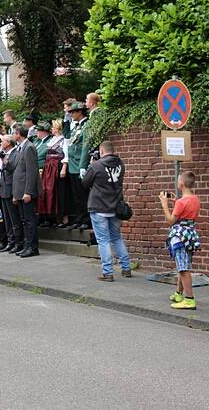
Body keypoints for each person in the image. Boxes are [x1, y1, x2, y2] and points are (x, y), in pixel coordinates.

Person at [82, 141, 132, 282]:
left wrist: (91, 165)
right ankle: (126, 268)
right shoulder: (121, 164)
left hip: (99, 207)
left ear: (102, 151)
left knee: (103, 241)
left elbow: (85, 183)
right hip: (115, 207)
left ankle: (107, 272)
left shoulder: (96, 166)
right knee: (116, 238)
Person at [159, 172, 201, 310]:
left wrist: (165, 205)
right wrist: (176, 201)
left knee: (183, 269)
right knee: (183, 264)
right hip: (190, 235)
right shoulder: (195, 199)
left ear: (181, 184)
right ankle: (178, 294)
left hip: (180, 237)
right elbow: (186, 211)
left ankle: (189, 299)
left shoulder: (181, 202)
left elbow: (171, 221)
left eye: (178, 182)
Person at [12, 125, 41, 258]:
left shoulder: (29, 147)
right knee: (24, 220)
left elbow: (31, 171)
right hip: (20, 191)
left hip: (26, 191)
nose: (13, 135)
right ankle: (27, 245)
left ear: (19, 134)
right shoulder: (20, 147)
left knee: (29, 220)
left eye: (14, 133)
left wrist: (28, 191)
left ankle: (32, 247)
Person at [65, 101, 91, 230]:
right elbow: (67, 138)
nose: (70, 114)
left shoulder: (86, 125)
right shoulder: (75, 126)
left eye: (72, 112)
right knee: (76, 196)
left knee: (83, 195)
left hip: (79, 163)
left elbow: (85, 146)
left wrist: (83, 165)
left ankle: (86, 219)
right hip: (72, 165)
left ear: (80, 112)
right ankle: (79, 218)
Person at [39, 119, 68, 225]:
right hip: (48, 167)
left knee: (56, 191)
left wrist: (64, 167)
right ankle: (48, 217)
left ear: (58, 128)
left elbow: (66, 154)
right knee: (47, 191)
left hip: (57, 166)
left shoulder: (63, 140)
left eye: (53, 127)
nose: (51, 129)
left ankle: (59, 218)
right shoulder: (52, 139)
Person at [0, 135, 23, 253]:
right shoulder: (5, 154)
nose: (1, 143)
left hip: (11, 189)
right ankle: (10, 241)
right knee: (7, 219)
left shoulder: (15, 154)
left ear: (8, 142)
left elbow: (12, 170)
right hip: (4, 189)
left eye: (2, 141)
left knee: (14, 219)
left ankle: (18, 242)